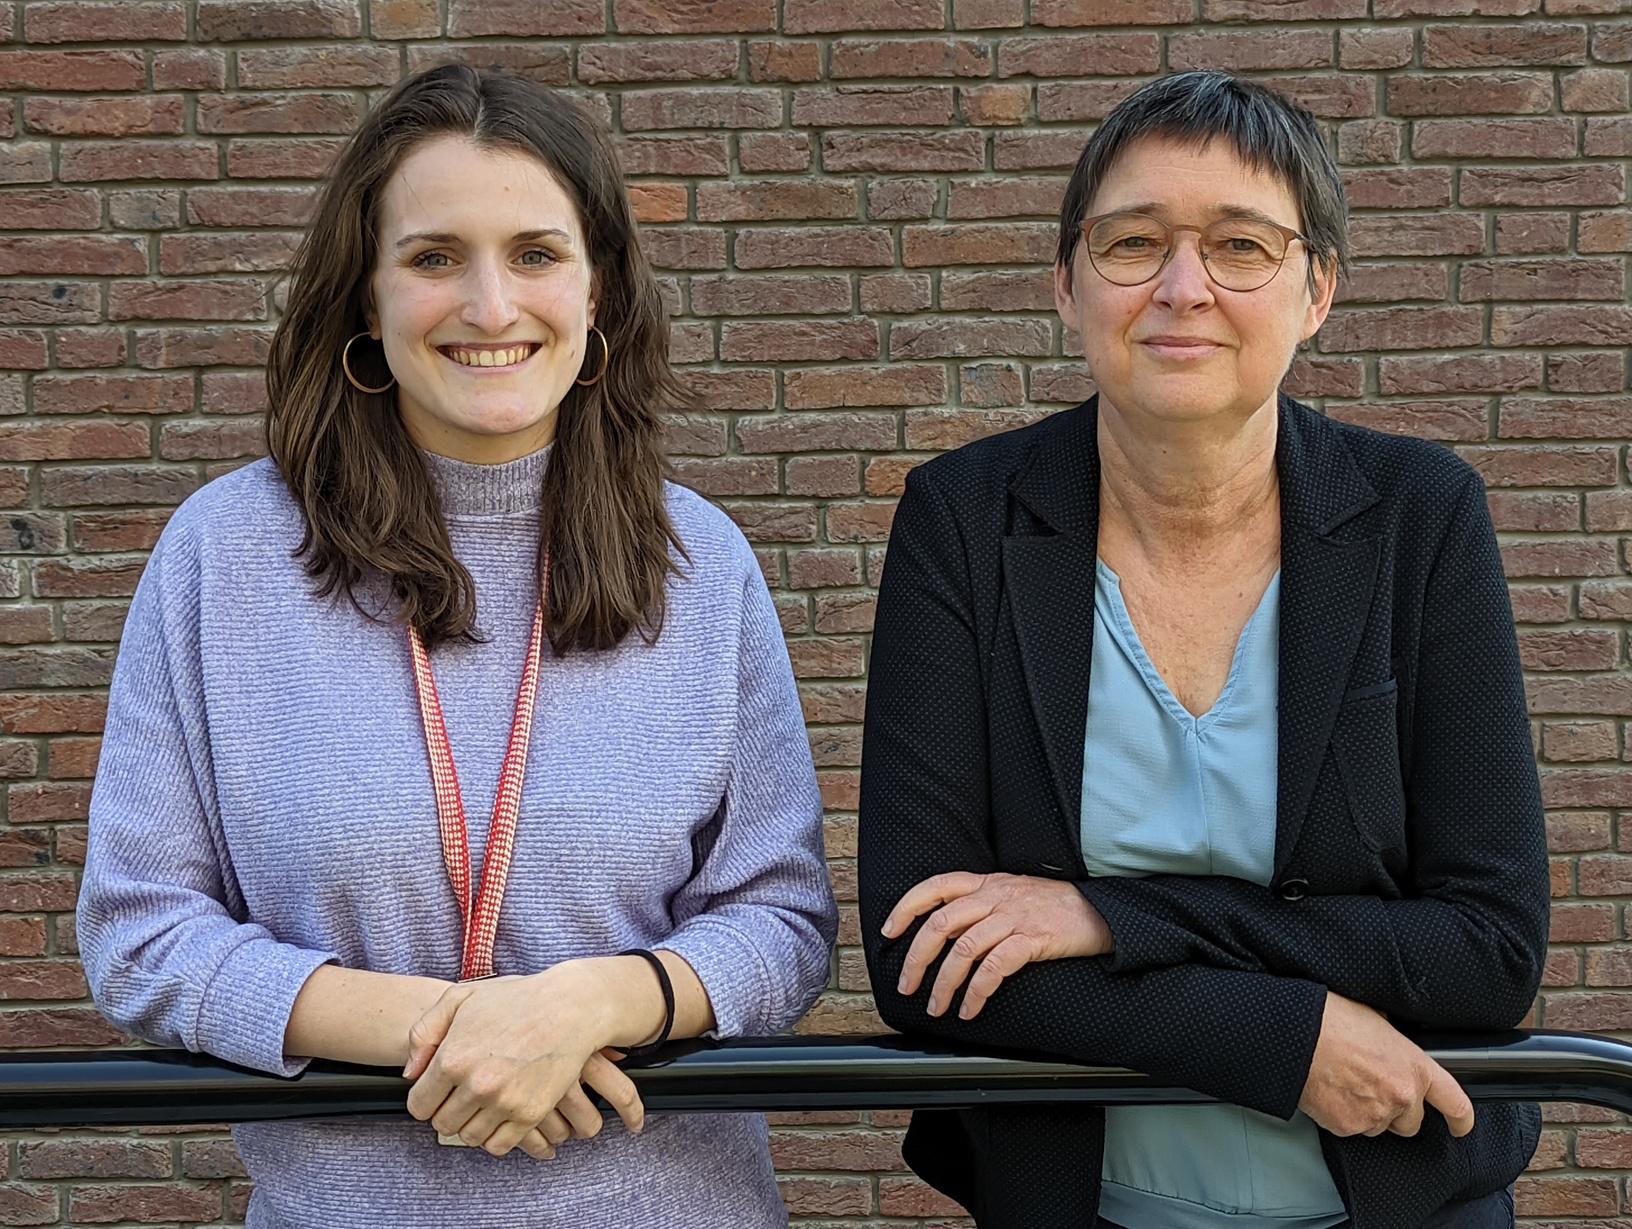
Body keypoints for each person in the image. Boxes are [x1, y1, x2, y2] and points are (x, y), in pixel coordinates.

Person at [77, 63, 837, 1228]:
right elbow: (140, 930)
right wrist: (456, 1032)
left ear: (596, 292)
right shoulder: (224, 556)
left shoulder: (702, 561)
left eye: (535, 254)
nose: (490, 305)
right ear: (364, 299)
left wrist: (591, 1004)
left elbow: (781, 924)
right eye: (435, 257)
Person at [859, 70, 1547, 1229]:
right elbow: (924, 954)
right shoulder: (964, 521)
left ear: (1317, 289)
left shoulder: (1421, 515)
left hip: (1401, 1202)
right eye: (1133, 244)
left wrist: (1111, 919)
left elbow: (1488, 947)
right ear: (1067, 284)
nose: (1184, 288)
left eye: (1241, 246)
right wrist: (1284, 1035)